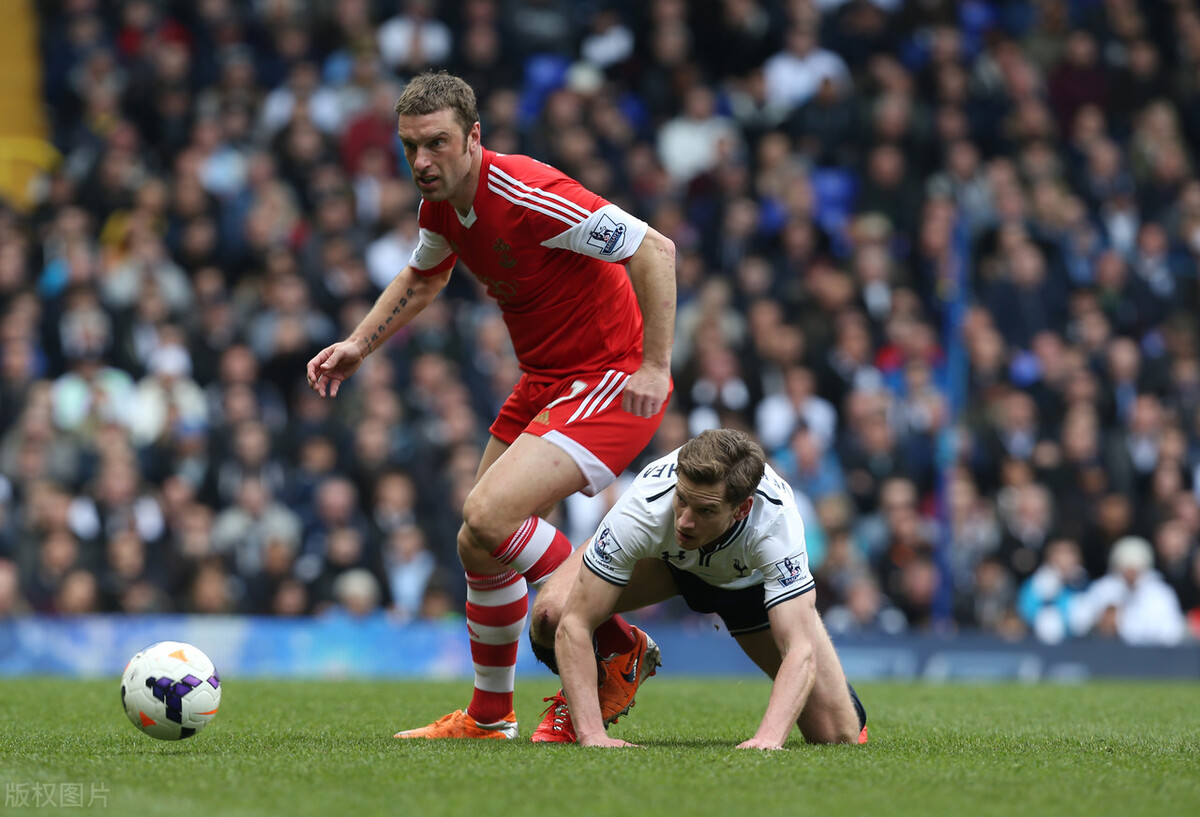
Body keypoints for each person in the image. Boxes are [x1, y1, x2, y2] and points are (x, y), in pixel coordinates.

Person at [305, 71, 677, 739]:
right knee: (478, 544)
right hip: (545, 381)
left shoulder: (528, 191)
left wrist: (655, 363)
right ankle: (488, 717)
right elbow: (424, 276)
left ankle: (618, 641)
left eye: (437, 144)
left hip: (609, 377)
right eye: (410, 146)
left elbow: (655, 248)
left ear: (474, 138)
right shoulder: (442, 205)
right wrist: (360, 345)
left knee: (488, 512)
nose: (421, 161)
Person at [528, 429, 868, 748]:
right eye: (682, 500)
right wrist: (591, 735)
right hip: (666, 565)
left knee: (836, 734)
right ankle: (623, 655)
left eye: (705, 510)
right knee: (552, 615)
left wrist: (767, 739)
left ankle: (837, 693)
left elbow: (798, 650)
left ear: (742, 509)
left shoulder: (775, 521)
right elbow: (575, 623)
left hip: (747, 589)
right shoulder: (645, 504)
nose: (685, 521)